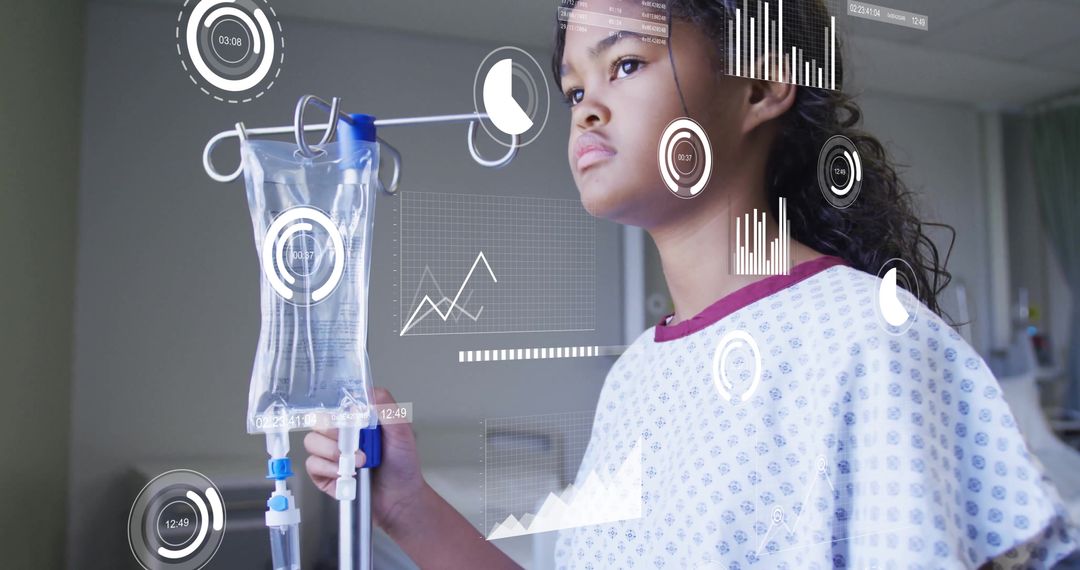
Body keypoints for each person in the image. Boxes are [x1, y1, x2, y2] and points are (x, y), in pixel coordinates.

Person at [305, 0, 1079, 567]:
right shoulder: (639, 374)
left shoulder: (870, 345)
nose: (587, 110)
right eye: (575, 89)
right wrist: (404, 506)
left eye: (627, 64)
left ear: (761, 85)